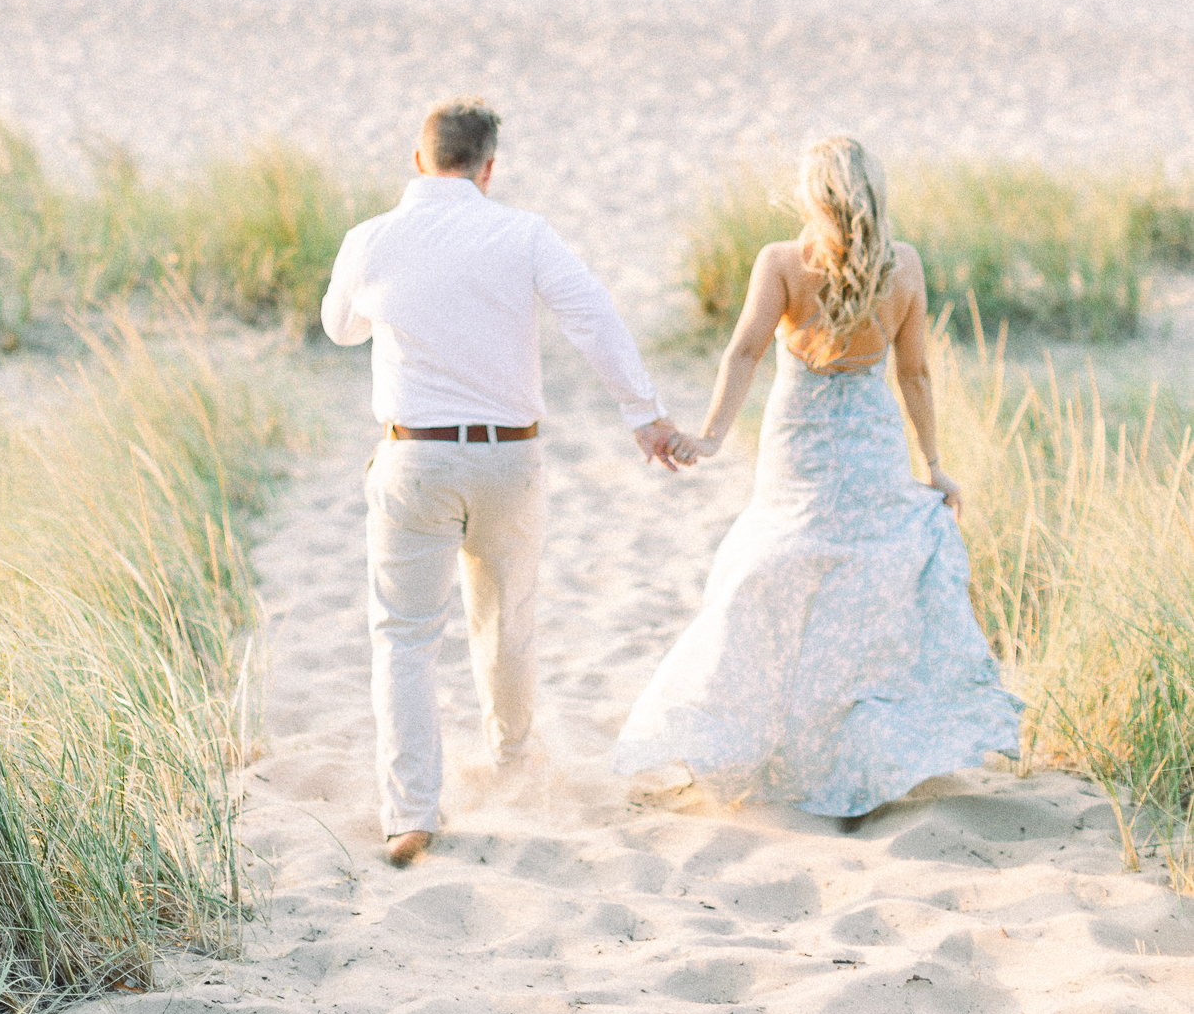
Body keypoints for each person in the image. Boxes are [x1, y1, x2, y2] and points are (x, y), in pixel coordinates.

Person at [321, 96, 685, 865]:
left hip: (413, 457)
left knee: (403, 639)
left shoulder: (371, 238)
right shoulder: (522, 233)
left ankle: (410, 814)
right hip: (508, 458)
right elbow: (592, 316)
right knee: (506, 620)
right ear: (488, 167)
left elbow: (340, 327)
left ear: (418, 159)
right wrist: (642, 414)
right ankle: (513, 761)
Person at [614, 135, 1023, 817]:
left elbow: (744, 351)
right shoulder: (904, 266)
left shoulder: (780, 262)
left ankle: (762, 740)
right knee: (860, 579)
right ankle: (844, 749)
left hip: (798, 430)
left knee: (776, 562)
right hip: (868, 432)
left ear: (812, 195)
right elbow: (914, 374)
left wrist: (712, 436)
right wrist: (933, 465)